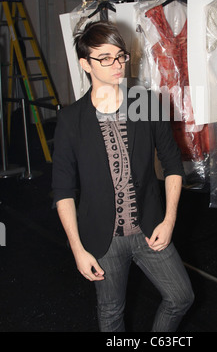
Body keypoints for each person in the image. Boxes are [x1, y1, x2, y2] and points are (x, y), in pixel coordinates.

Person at [52, 21, 194, 332]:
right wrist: (77, 248)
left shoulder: (144, 102)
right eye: (105, 58)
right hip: (103, 239)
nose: (116, 65)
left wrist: (169, 220)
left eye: (120, 56)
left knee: (181, 296)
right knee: (111, 313)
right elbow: (63, 190)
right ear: (84, 64)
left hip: (149, 226)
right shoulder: (72, 119)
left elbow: (172, 163)